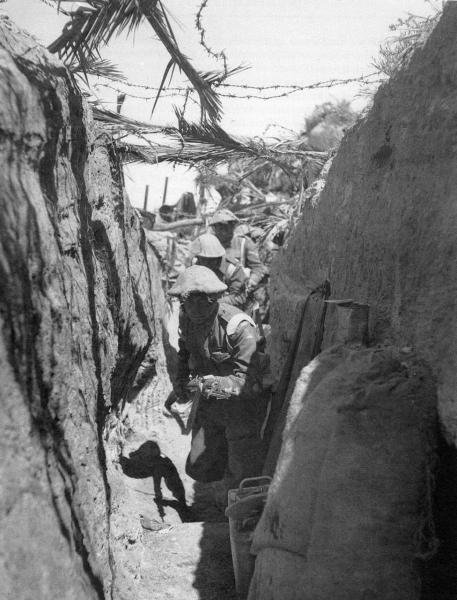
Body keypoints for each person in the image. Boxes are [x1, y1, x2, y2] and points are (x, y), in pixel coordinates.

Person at [167, 265, 268, 489]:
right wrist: (181, 381)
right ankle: (211, 496)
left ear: (213, 300)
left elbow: (248, 383)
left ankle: (234, 502)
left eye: (201, 301)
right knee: (201, 465)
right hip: (210, 402)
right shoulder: (186, 318)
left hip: (242, 405)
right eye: (188, 302)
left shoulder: (238, 327)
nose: (194, 308)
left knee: (242, 473)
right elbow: (185, 351)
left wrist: (208, 384)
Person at [209, 209, 268, 295]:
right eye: (220, 228)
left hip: (238, 290)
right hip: (214, 288)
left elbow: (258, 267)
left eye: (227, 227)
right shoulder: (209, 243)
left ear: (233, 226)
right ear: (214, 228)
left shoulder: (244, 242)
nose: (223, 231)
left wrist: (252, 281)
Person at [189, 232, 248, 309]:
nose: (204, 263)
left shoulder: (232, 269)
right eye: (201, 258)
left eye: (209, 260)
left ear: (217, 258)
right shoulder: (195, 264)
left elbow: (239, 297)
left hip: (231, 308)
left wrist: (215, 303)